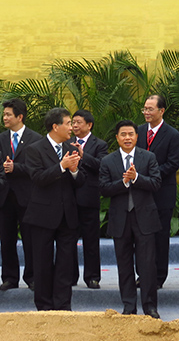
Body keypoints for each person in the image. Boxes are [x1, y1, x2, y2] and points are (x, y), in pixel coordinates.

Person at [23, 108, 85, 311]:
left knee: (66, 264)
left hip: (68, 216)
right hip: (42, 216)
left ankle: (63, 305)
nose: (72, 127)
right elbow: (38, 179)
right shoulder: (34, 149)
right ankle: (44, 306)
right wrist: (61, 166)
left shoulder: (73, 149)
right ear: (55, 126)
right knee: (42, 263)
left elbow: (80, 182)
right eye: (68, 123)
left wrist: (75, 171)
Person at [99, 120, 162, 318]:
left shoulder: (148, 157)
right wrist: (124, 182)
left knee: (147, 266)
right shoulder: (108, 161)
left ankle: (150, 306)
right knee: (124, 265)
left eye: (131, 134)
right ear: (117, 137)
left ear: (137, 137)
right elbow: (104, 189)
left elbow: (156, 183)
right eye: (123, 134)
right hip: (120, 220)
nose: (127, 138)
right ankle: (128, 306)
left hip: (145, 218)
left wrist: (136, 178)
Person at [137, 95, 179, 289]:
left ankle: (159, 276)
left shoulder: (173, 134)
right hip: (140, 193)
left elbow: (173, 164)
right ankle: (143, 274)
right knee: (141, 235)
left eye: (150, 109)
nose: (146, 113)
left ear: (161, 111)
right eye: (145, 109)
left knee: (160, 236)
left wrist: (150, 175)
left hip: (162, 192)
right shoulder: (138, 131)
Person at [0, 98, 41, 291]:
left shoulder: (36, 139)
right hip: (5, 196)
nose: (5, 117)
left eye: (8, 114)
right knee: (6, 238)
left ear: (20, 116)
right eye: (4, 114)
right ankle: (9, 277)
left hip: (27, 196)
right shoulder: (1, 138)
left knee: (29, 238)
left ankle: (32, 276)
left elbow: (37, 167)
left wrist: (16, 168)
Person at [69, 110, 108, 289]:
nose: (74, 126)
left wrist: (83, 155)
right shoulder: (65, 142)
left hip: (89, 198)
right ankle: (69, 276)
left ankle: (92, 277)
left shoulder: (100, 144)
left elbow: (102, 166)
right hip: (68, 198)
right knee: (68, 239)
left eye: (78, 122)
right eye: (73, 122)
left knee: (91, 240)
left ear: (89, 125)